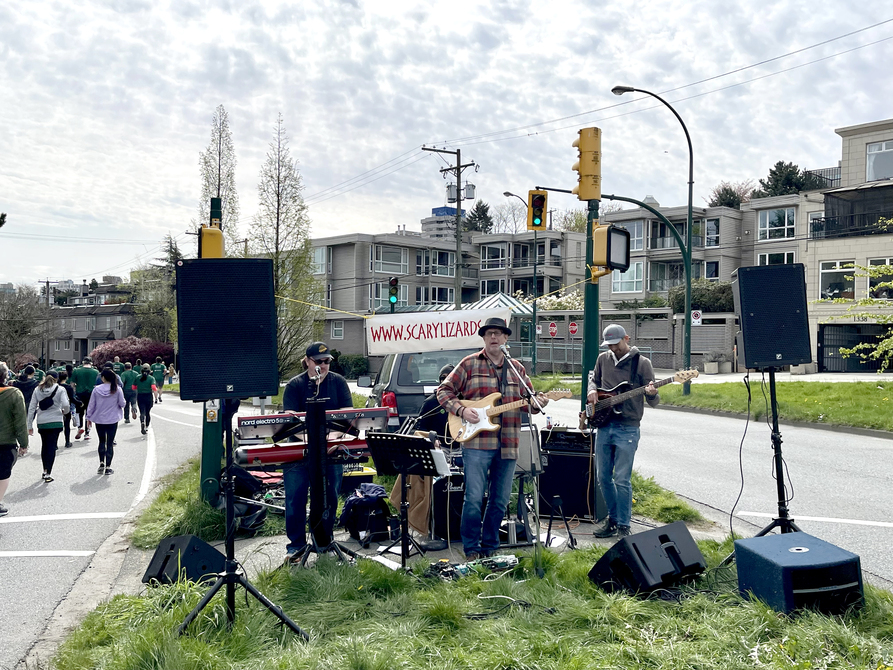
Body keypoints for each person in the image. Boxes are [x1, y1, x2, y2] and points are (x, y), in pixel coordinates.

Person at [437, 317, 547, 561]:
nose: (494, 338)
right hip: (476, 444)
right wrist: (462, 410)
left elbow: (530, 402)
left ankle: (490, 546)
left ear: (506, 337)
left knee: (499, 500)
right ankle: (471, 547)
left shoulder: (517, 369)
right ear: (484, 338)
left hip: (508, 443)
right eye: (489, 334)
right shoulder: (469, 364)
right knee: (474, 498)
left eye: (498, 334)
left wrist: (539, 403)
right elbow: (443, 391)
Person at [282, 341, 353, 562]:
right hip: (300, 451)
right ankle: (296, 546)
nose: (324, 365)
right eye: (319, 361)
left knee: (329, 497)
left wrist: (331, 439)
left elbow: (348, 415)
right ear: (307, 361)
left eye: (327, 361)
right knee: (295, 498)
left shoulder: (338, 383)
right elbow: (289, 422)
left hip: (330, 451)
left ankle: (324, 540)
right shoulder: (295, 385)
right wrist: (313, 441)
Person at [587, 324, 659, 540]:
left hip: (627, 426)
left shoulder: (642, 363)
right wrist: (591, 391)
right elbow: (594, 380)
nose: (612, 348)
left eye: (616, 344)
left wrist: (652, 393)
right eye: (608, 345)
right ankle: (613, 519)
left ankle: (624, 525)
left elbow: (654, 402)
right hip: (604, 424)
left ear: (626, 338)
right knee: (603, 477)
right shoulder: (603, 359)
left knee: (621, 478)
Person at [27, 371, 70, 483]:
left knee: (45, 445)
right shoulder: (60, 389)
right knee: (52, 447)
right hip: (56, 420)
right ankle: (48, 472)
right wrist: (65, 412)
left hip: (42, 421)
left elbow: (32, 408)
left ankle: (44, 469)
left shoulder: (38, 389)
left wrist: (29, 425)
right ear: (57, 378)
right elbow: (66, 404)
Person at [0, 362, 29, 516]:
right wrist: (24, 443)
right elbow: (20, 422)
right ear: (6, 376)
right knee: (3, 473)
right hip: (6, 441)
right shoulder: (14, 394)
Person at [86, 368, 125, 475]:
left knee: (102, 441)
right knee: (110, 443)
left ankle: (101, 463)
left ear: (103, 378)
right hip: (112, 419)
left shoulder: (96, 389)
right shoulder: (117, 389)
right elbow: (122, 403)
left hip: (99, 419)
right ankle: (108, 467)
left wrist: (88, 417)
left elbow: (91, 405)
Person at [70, 357, 96, 440]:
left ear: (83, 362)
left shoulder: (76, 370)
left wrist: (73, 393)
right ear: (91, 363)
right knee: (89, 413)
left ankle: (79, 427)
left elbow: (72, 383)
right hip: (91, 394)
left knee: (79, 412)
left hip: (80, 394)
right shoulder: (95, 372)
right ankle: (87, 433)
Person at [133, 364, 157, 435]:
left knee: (142, 412)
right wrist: (155, 395)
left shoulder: (137, 377)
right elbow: (153, 387)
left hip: (140, 396)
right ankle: (146, 426)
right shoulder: (151, 378)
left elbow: (133, 387)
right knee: (148, 412)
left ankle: (142, 421)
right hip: (148, 396)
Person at [57, 370, 79, 448]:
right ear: (66, 378)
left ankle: (55, 444)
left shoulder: (56, 386)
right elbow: (72, 399)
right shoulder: (68, 387)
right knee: (67, 426)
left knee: (57, 427)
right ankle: (67, 442)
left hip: (57, 408)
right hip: (66, 408)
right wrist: (79, 403)